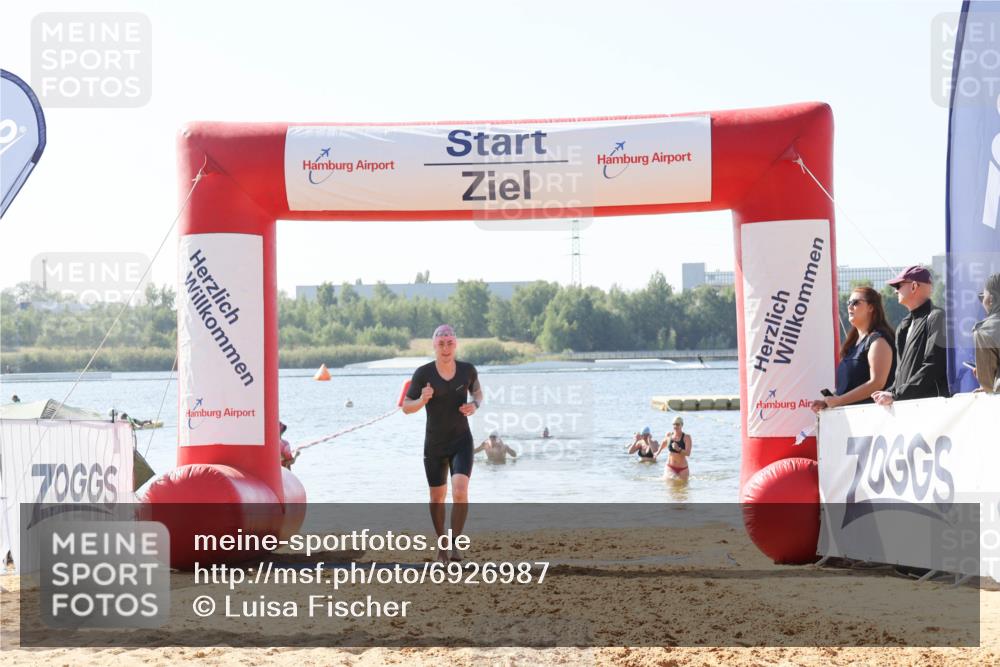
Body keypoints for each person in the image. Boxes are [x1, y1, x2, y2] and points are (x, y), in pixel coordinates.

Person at [402, 325, 483, 563]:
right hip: (435, 444)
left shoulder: (467, 370)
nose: (446, 348)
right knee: (437, 497)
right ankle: (442, 546)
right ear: (434, 346)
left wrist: (474, 406)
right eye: (441, 343)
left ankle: (456, 545)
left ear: (455, 344)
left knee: (460, 491)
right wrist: (422, 399)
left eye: (450, 343)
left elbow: (478, 393)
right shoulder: (423, 373)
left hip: (461, 441)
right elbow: (406, 407)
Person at [872, 265, 950, 406]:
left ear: (914, 286)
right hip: (907, 407)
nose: (895, 291)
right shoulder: (904, 326)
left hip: (931, 410)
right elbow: (901, 373)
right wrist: (890, 392)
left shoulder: (937, 317)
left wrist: (896, 394)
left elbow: (933, 366)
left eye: (898, 285)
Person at [811, 286, 896, 412]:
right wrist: (829, 402)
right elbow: (851, 386)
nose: (850, 307)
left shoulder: (879, 341)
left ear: (871, 308)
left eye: (855, 303)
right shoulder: (853, 343)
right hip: (849, 421)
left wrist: (840, 401)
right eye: (848, 303)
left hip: (871, 420)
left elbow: (877, 383)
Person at [973, 273, 1000, 393]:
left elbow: (989, 385)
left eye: (982, 297)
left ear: (991, 300)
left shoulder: (985, 331)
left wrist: (981, 375)